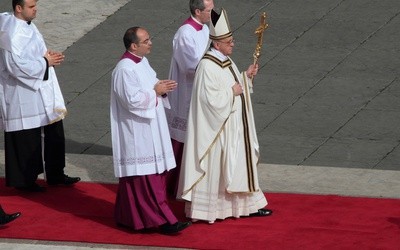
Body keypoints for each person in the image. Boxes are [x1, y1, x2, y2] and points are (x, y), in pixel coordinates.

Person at [177, 9, 272, 224]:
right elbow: (207, 100)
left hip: (233, 126)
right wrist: (232, 92)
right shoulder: (207, 66)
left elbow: (234, 84)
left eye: (233, 40)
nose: (233, 44)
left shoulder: (226, 61)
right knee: (217, 169)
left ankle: (247, 206)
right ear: (216, 44)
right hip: (216, 131)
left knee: (237, 164)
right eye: (229, 41)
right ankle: (207, 211)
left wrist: (245, 77)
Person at [110, 26, 191, 235]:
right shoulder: (124, 69)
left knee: (148, 178)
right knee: (146, 180)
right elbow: (131, 100)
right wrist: (155, 91)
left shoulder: (142, 62)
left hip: (150, 128)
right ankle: (165, 221)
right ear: (134, 46)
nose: (150, 43)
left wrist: (160, 86)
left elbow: (151, 83)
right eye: (146, 41)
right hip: (137, 133)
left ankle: (128, 217)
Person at [0, 0, 80, 192]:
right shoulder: (11, 34)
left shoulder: (26, 23)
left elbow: (31, 52)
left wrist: (46, 56)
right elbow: (15, 67)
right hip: (23, 94)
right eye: (31, 7)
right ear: (18, 8)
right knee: (27, 138)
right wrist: (45, 62)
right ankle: (25, 181)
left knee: (54, 132)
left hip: (42, 90)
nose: (36, 10)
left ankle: (55, 173)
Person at [166, 0, 214, 198]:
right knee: (182, 140)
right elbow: (190, 67)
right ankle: (173, 186)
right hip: (186, 92)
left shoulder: (204, 28)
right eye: (210, 10)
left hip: (200, 89)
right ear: (197, 11)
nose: (213, 13)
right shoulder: (185, 33)